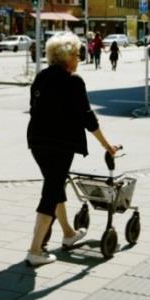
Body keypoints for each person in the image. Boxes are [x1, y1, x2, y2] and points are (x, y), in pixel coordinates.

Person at [26, 32, 120, 267]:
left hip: (37, 141)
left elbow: (34, 108)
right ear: (67, 57)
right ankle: (35, 250)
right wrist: (107, 145)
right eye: (77, 54)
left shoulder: (41, 77)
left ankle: (68, 233)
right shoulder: (73, 81)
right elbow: (88, 117)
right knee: (51, 191)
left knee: (54, 185)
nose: (79, 59)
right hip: (60, 144)